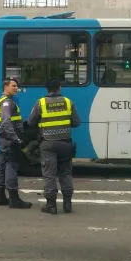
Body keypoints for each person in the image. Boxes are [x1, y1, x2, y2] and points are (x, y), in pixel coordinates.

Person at [27, 79, 81, 214]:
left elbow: (31, 122)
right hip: (65, 143)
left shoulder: (41, 103)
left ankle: (51, 205)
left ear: (47, 89)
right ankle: (67, 205)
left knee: (49, 174)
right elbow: (76, 122)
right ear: (59, 88)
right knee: (66, 173)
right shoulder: (68, 102)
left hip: (48, 143)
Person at [0, 78, 32, 209]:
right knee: (11, 167)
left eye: (17, 86)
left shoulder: (2, 101)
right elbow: (6, 122)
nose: (16, 88)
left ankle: (0, 196)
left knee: (2, 166)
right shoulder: (6, 103)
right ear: (5, 87)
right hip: (9, 140)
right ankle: (14, 199)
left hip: (3, 139)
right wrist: (16, 139)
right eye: (13, 86)